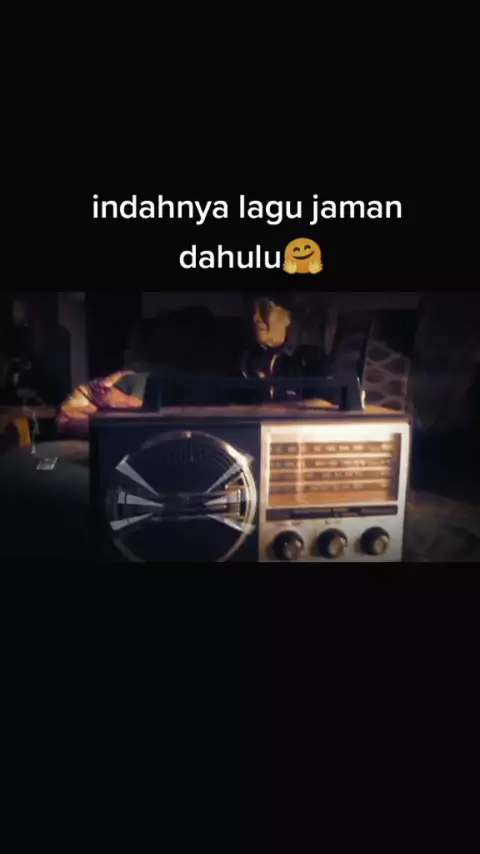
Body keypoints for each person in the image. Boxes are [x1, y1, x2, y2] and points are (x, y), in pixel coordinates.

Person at [56, 296, 329, 438]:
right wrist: (125, 409)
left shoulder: (310, 359)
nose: (256, 317)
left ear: (289, 317)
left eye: (265, 308)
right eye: (252, 309)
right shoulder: (221, 362)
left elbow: (329, 406)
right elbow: (67, 416)